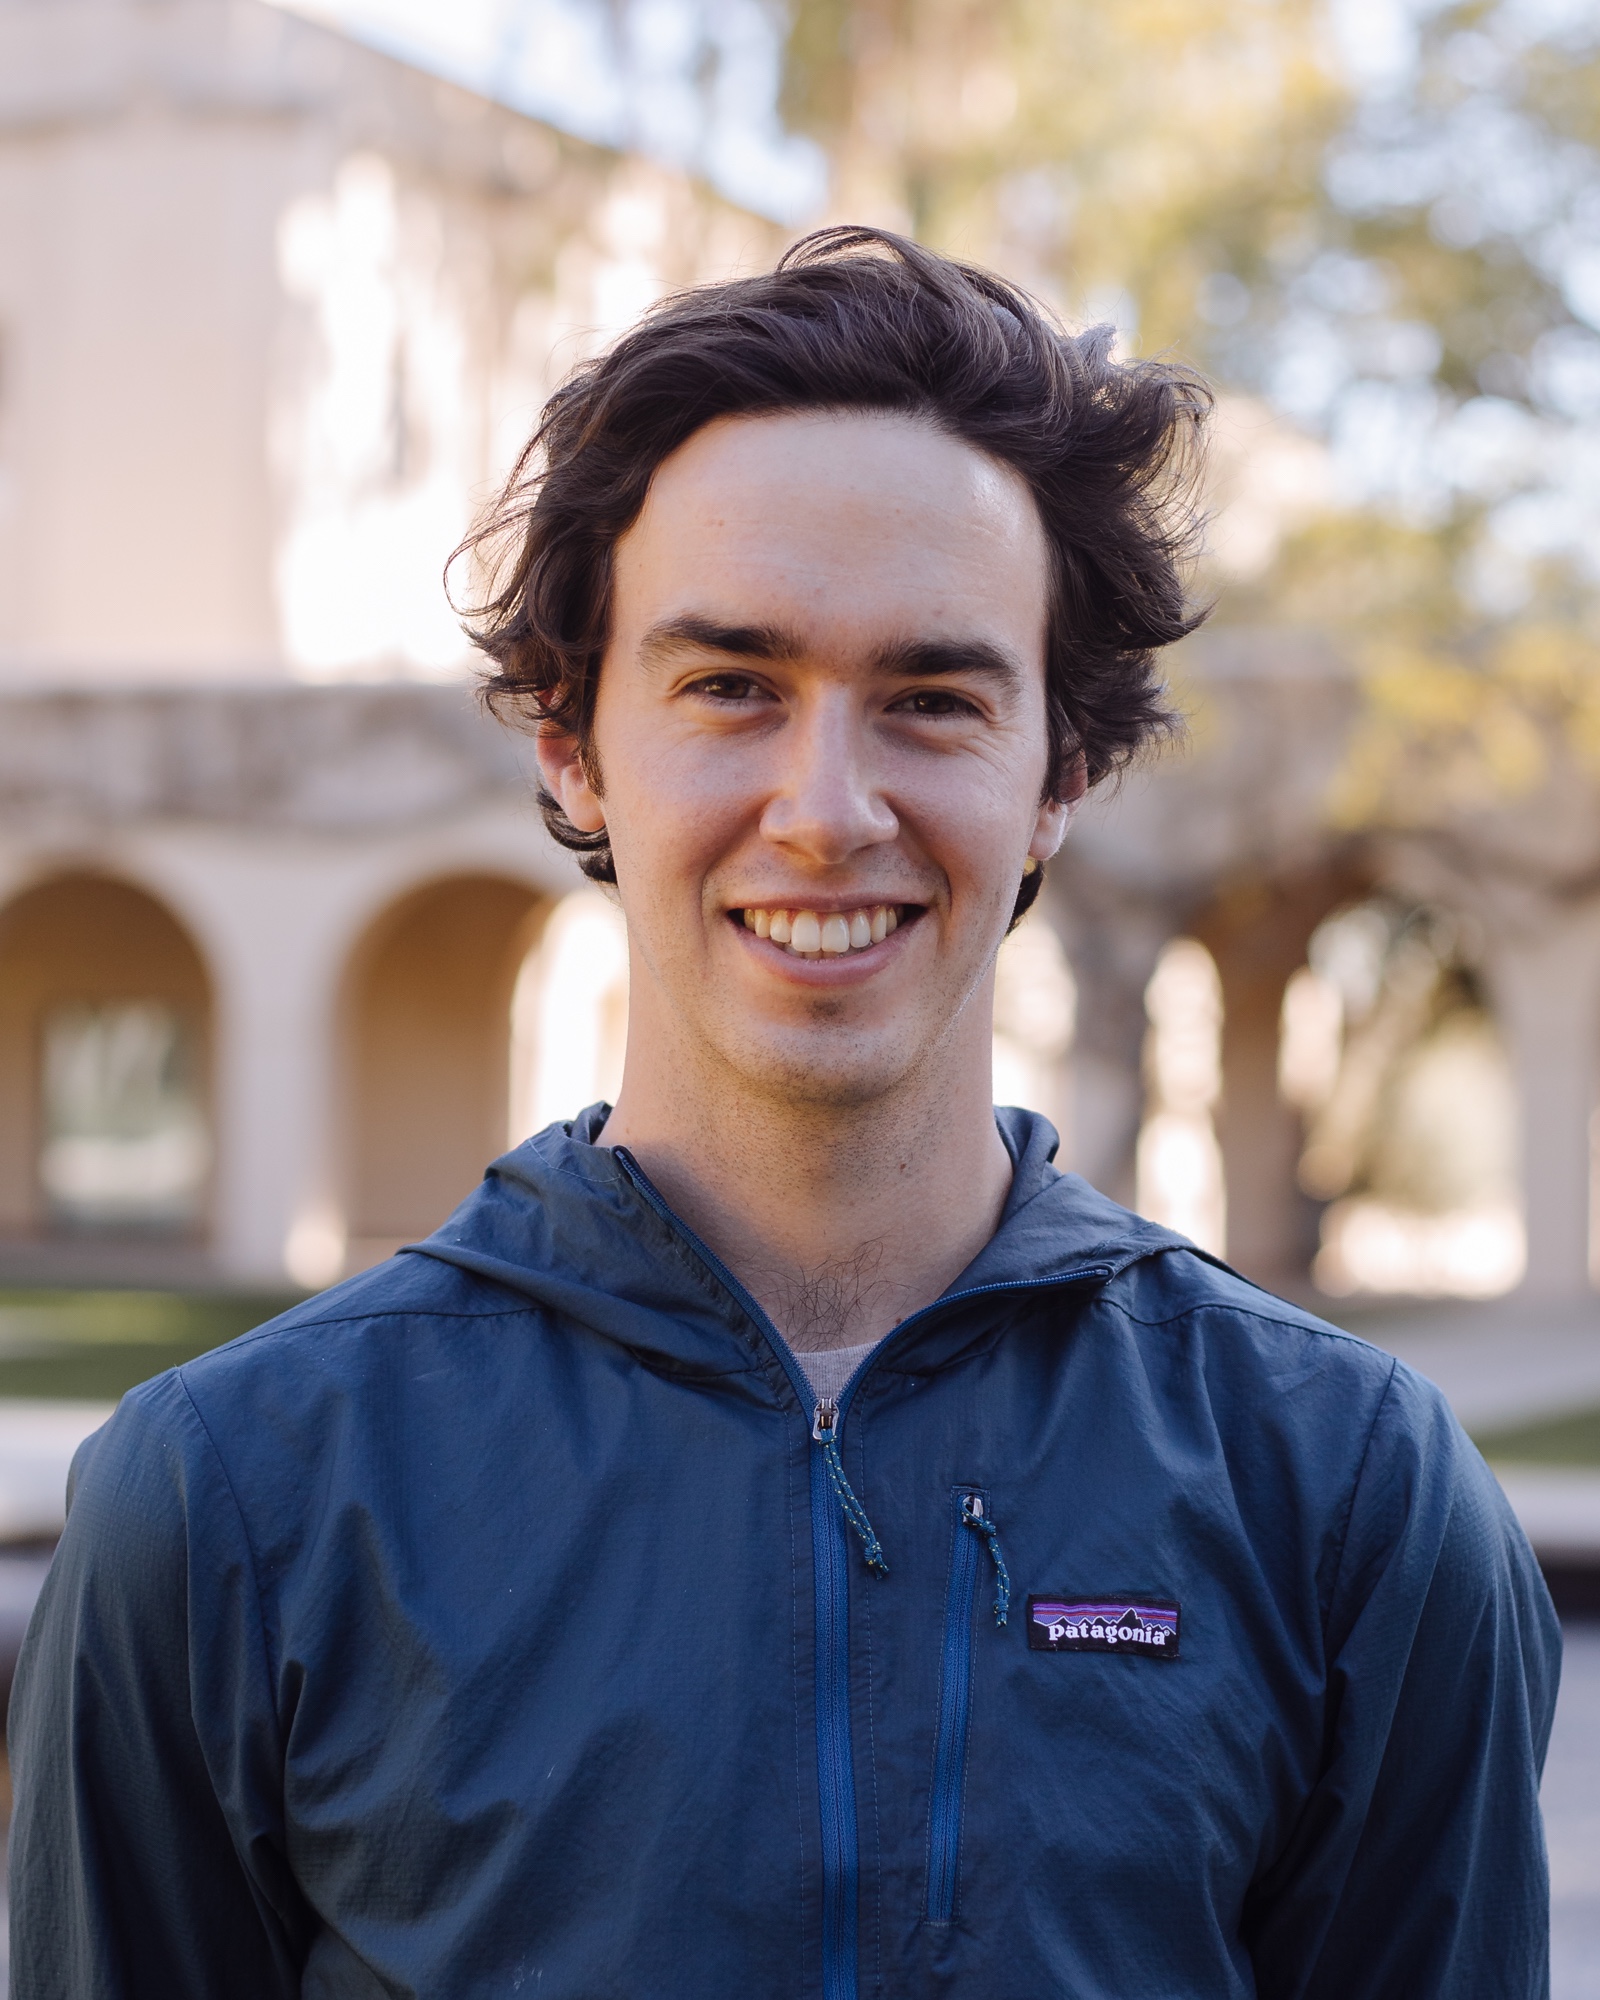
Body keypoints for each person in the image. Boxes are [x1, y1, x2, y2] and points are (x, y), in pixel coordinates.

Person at [11, 229, 1559, 1999]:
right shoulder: (226, 1506)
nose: (827, 810)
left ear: (1060, 774)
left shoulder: (1350, 1497)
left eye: (932, 698)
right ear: (572, 744)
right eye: (730, 685)